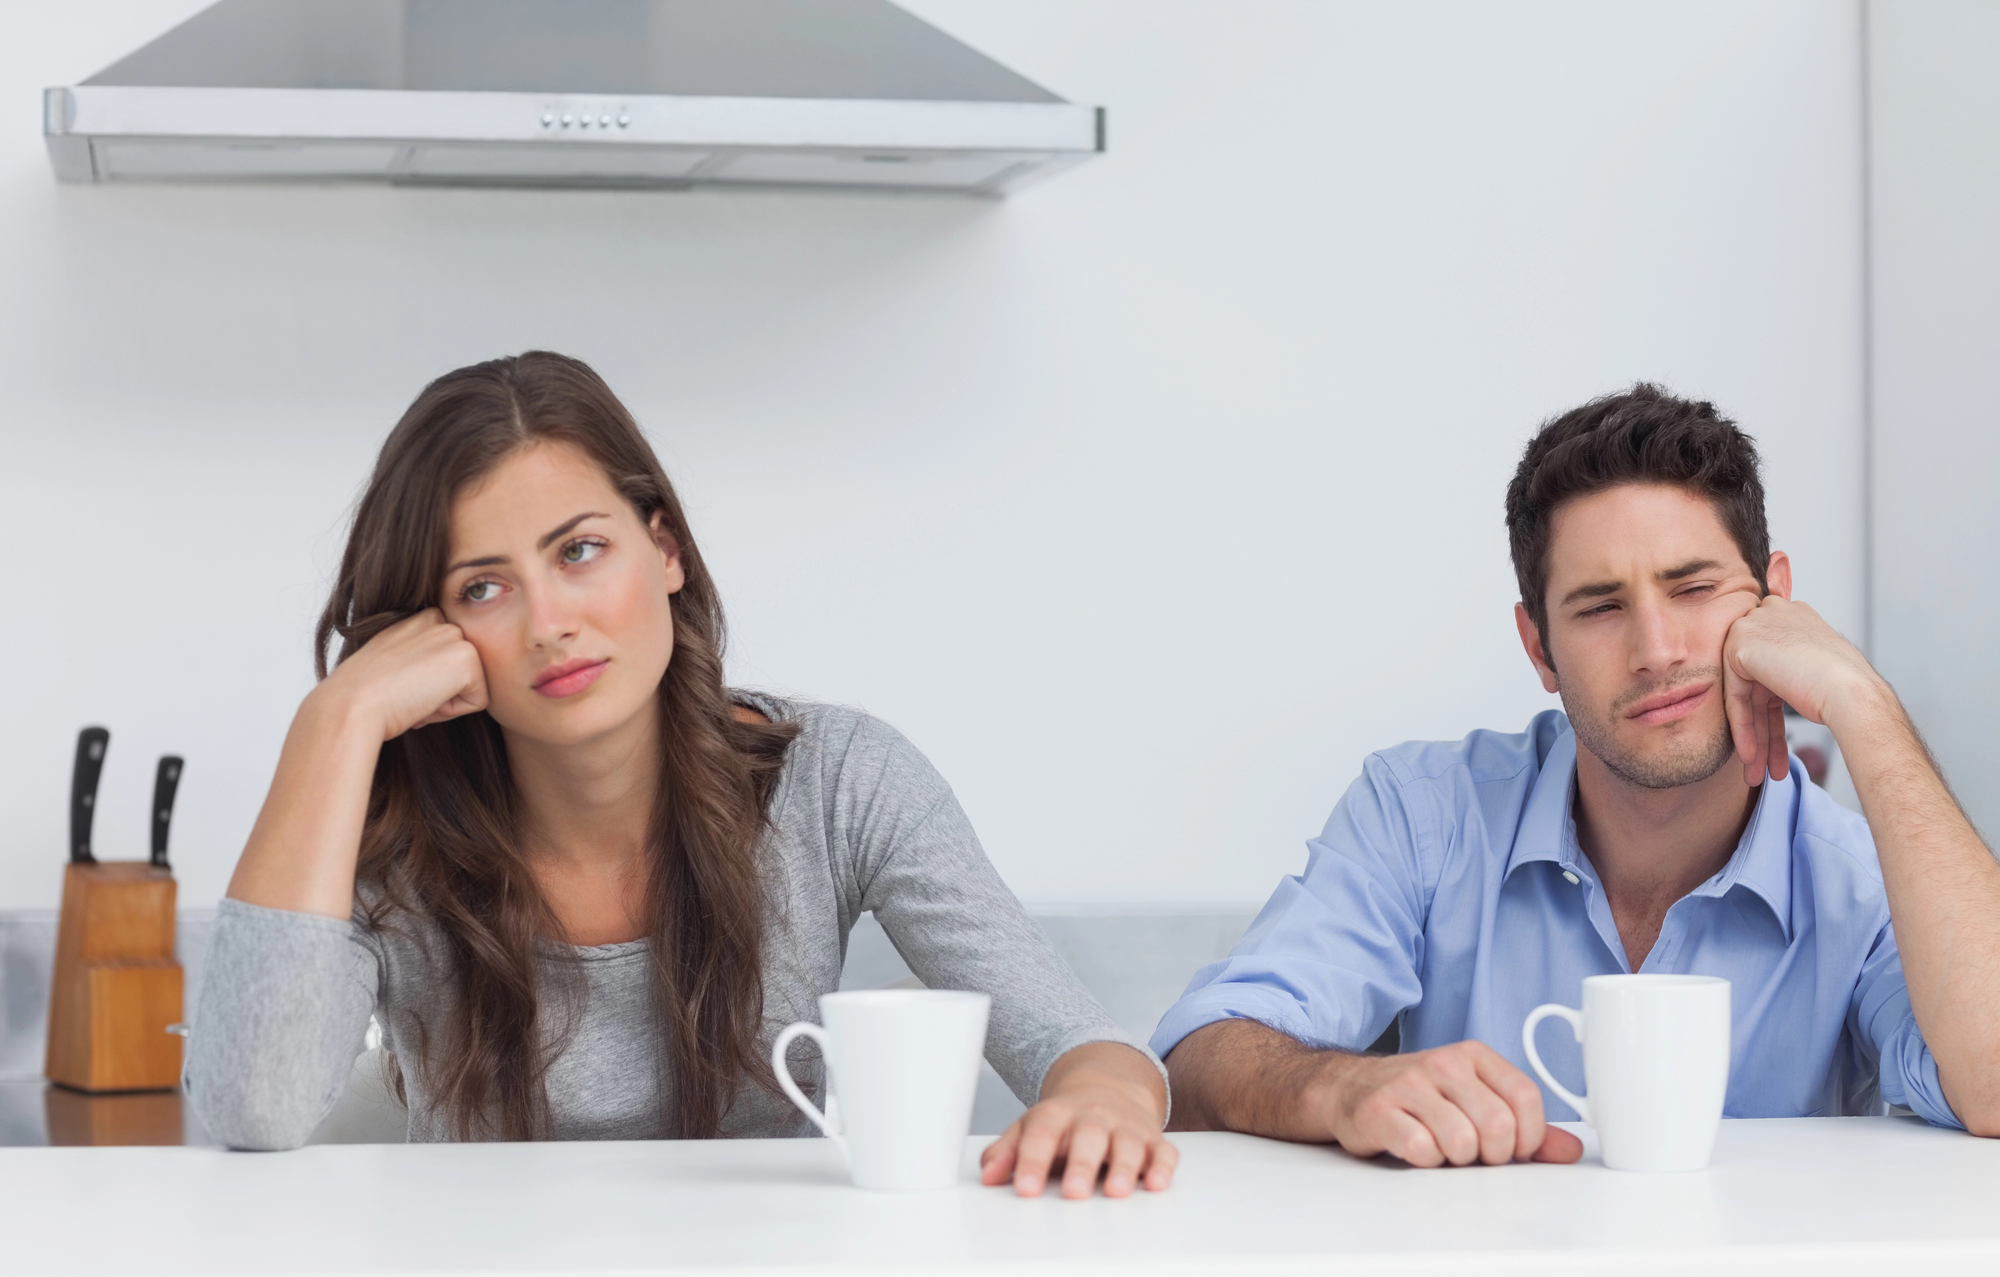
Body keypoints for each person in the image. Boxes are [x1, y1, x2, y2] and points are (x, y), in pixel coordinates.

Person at [188, 351, 1176, 1200]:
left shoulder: (839, 778)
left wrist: (1102, 1098)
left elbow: (1076, 1041)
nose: (549, 622)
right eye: (482, 586)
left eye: (579, 550)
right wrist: (336, 719)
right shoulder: (380, 821)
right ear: (425, 632)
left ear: (662, 548)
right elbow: (245, 1108)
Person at [1153, 385, 2000, 1167]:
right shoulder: (1424, 814)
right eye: (1600, 607)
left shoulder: (1865, 881)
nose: (1657, 651)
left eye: (1695, 587)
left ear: (1777, 601)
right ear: (1538, 647)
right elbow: (1195, 1064)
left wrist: (1861, 702)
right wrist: (1336, 1085)